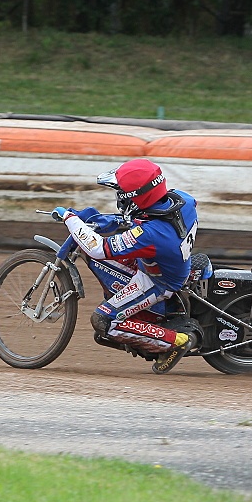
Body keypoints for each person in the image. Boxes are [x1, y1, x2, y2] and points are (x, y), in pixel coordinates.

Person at [53, 158, 199, 374]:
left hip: (157, 281)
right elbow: (143, 219)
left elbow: (98, 248)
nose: (119, 198)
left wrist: (69, 218)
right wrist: (108, 219)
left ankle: (176, 341)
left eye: (122, 194)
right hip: (162, 262)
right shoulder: (182, 200)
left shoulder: (152, 234)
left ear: (136, 197)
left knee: (103, 320)